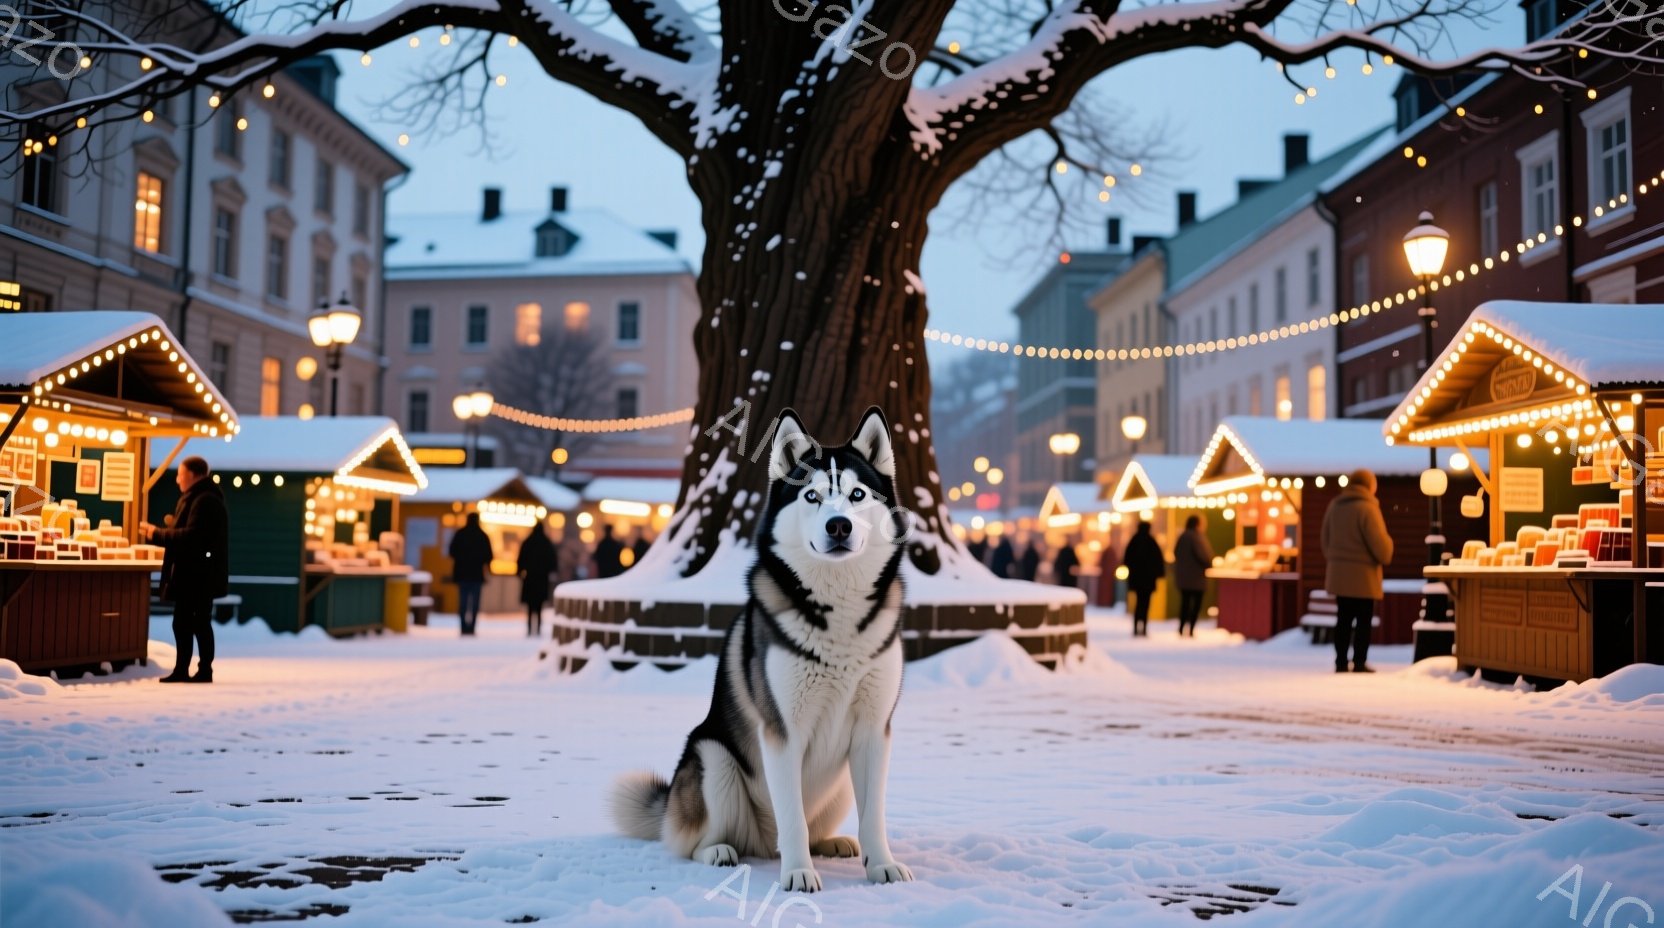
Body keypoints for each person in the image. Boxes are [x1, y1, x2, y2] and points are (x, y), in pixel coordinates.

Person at [142, 456, 228, 684]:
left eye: (180, 474)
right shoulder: (199, 498)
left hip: (198, 574)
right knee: (187, 622)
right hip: (196, 573)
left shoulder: (204, 500)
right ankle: (186, 669)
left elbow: (193, 536)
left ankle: (201, 670)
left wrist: (157, 533)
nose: (177, 479)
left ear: (192, 475)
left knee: (195, 622)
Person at [1321, 468, 1394, 673]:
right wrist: (1389, 547)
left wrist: (1336, 560)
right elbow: (1379, 545)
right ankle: (1359, 662)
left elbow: (1325, 539)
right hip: (1364, 576)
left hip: (1340, 575)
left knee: (1343, 619)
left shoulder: (1335, 506)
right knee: (1363, 621)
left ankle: (1341, 662)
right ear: (1369, 486)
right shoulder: (1368, 509)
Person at [448, 512, 493, 636]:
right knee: (475, 604)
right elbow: (489, 556)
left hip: (462, 574)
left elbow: (451, 552)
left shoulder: (460, 534)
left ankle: (463, 627)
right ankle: (472, 627)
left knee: (463, 603)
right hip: (477, 575)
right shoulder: (482, 536)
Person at [1172, 514, 1215, 637]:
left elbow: (1176, 553)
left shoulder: (1182, 536)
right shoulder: (1197, 537)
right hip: (1196, 578)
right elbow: (1203, 556)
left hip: (1183, 577)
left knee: (1185, 603)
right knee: (1196, 604)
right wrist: (1208, 564)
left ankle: (1181, 628)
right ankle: (1191, 629)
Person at [1122, 521, 1165, 637]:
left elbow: (1126, 559)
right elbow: (1158, 560)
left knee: (1138, 603)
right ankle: (1144, 628)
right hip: (1148, 580)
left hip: (1136, 580)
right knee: (1146, 604)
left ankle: (1136, 627)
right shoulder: (1152, 542)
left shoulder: (1134, 541)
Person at [517, 525, 556, 637]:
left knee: (530, 605)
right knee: (539, 605)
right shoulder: (546, 543)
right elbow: (552, 560)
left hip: (530, 577)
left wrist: (519, 572)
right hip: (542, 579)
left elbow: (521, 558)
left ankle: (529, 627)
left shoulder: (528, 542)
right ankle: (538, 627)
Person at [1095, 543, 1120, 608]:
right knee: (1106, 591)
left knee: (1106, 591)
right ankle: (1105, 603)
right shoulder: (1110, 552)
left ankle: (1105, 603)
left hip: (1107, 575)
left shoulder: (1109, 552)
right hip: (1108, 575)